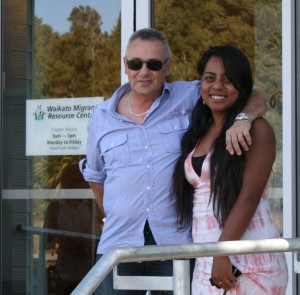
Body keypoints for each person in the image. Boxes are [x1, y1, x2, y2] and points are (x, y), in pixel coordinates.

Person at [79, 28, 266, 295]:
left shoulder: (188, 96)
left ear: (168, 66)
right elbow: (96, 176)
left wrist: (243, 119)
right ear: (125, 66)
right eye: (136, 63)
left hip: (175, 245)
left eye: (153, 64)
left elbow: (253, 92)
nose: (144, 72)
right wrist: (117, 212)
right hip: (118, 246)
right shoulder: (101, 116)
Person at [173, 45, 288, 294]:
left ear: (243, 86)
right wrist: (215, 255)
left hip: (247, 261)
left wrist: (223, 252)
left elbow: (249, 197)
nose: (217, 86)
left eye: (228, 80)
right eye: (209, 78)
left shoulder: (256, 130)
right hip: (208, 261)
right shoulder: (199, 132)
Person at [44, 163, 101, 294]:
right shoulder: (54, 208)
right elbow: (47, 240)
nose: (74, 184)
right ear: (64, 183)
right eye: (70, 180)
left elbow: (102, 233)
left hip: (91, 269)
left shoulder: (94, 206)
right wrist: (62, 242)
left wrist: (87, 244)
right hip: (64, 270)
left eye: (77, 180)